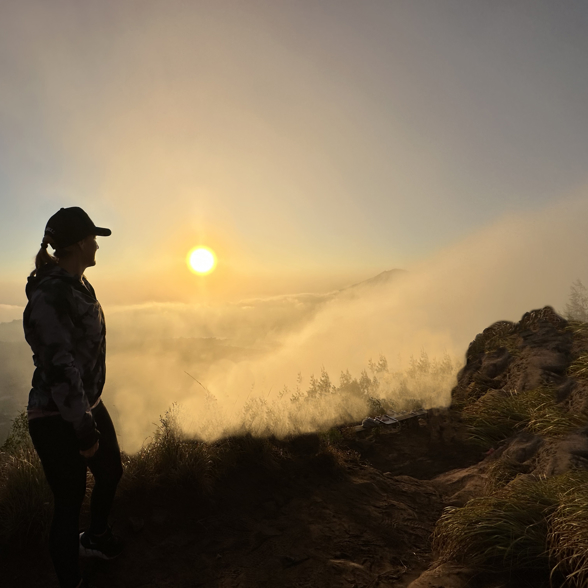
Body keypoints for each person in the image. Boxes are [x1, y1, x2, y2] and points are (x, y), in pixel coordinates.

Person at [24, 207, 123, 588]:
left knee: (111, 471)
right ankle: (71, 580)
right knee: (68, 501)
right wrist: (84, 432)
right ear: (81, 244)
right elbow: (59, 368)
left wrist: (89, 416)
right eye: (93, 238)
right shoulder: (50, 295)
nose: (97, 244)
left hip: (88, 404)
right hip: (56, 417)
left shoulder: (79, 285)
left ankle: (96, 539)